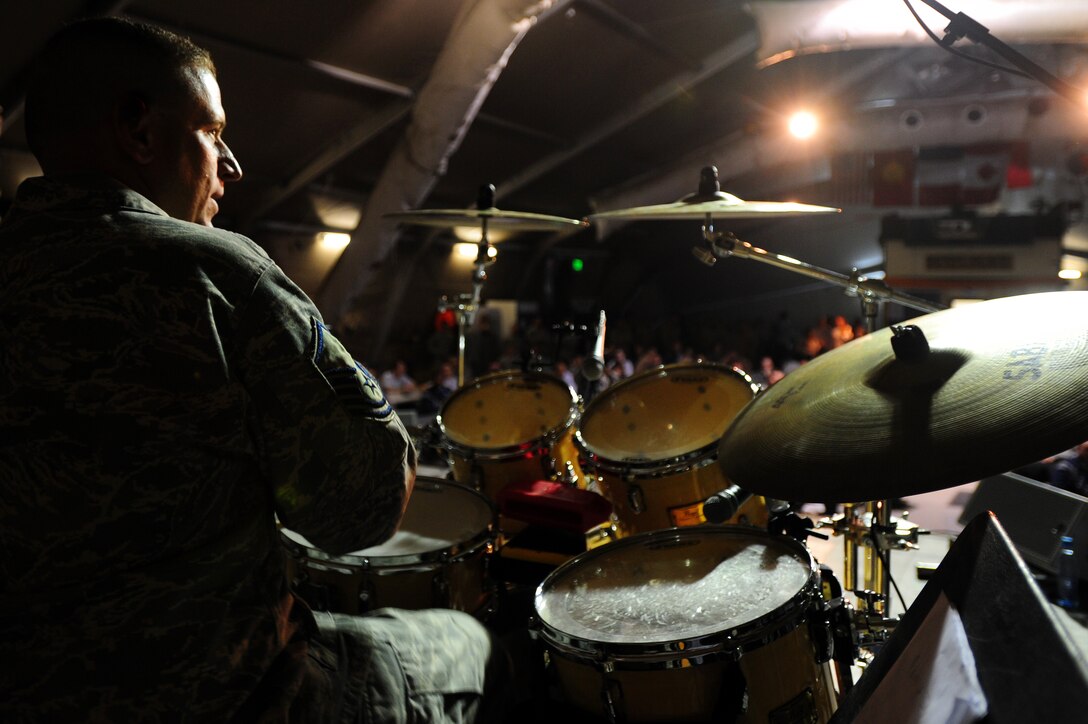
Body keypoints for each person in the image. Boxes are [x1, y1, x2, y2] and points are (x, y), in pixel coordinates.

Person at [0, 18, 506, 722]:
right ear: (138, 130)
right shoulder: (212, 271)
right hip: (237, 697)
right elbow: (360, 511)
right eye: (212, 132)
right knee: (466, 637)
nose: (231, 166)